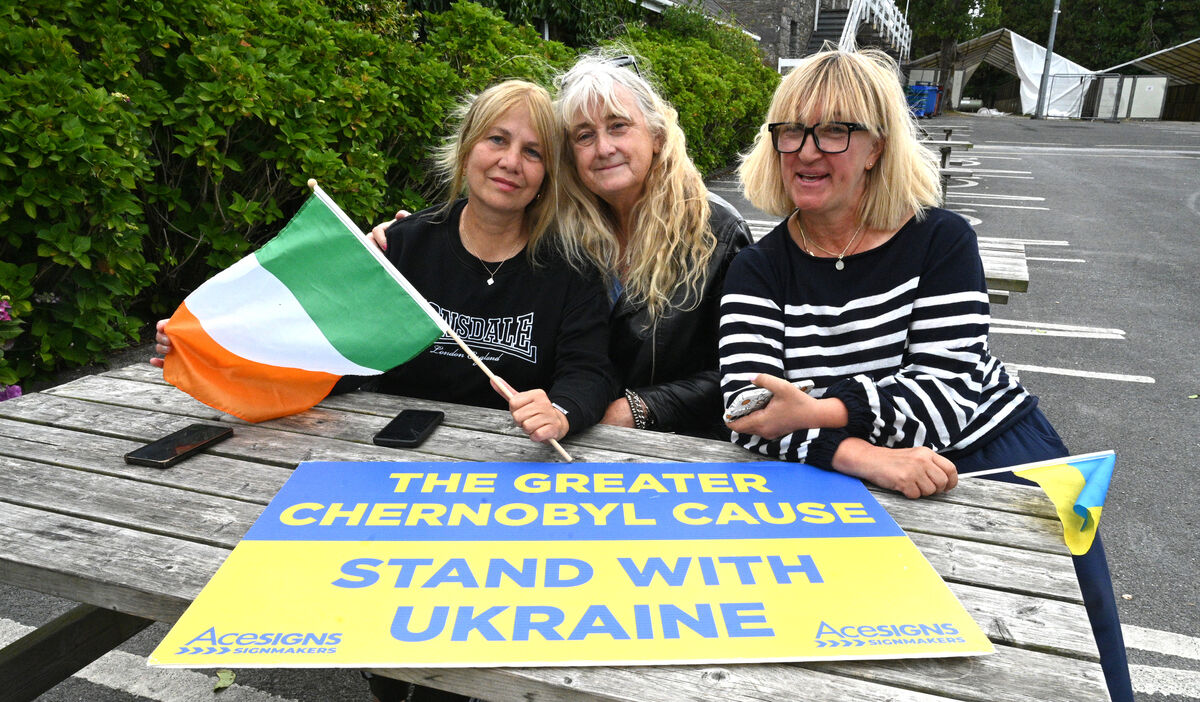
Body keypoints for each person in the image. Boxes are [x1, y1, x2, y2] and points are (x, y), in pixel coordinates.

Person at [719, 48, 1132, 701]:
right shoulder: (757, 268)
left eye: (834, 131)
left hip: (990, 455)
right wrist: (865, 457)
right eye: (790, 130)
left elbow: (942, 396)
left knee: (1057, 661)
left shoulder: (941, 240)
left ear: (877, 145)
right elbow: (747, 414)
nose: (805, 151)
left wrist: (819, 416)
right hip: (838, 480)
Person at [154, 79, 616, 447]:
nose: (510, 162)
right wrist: (216, 344)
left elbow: (590, 370)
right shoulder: (404, 247)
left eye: (532, 152)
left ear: (547, 176)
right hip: (386, 453)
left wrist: (562, 412)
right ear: (467, 149)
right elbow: (329, 348)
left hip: (514, 462)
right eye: (497, 139)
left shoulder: (571, 268)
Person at [553, 51, 752, 437]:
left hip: (678, 457)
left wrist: (642, 407)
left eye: (618, 126)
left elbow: (742, 371)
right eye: (584, 135)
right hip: (568, 441)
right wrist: (410, 235)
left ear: (657, 137)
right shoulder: (561, 231)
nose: (603, 147)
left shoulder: (716, 232)